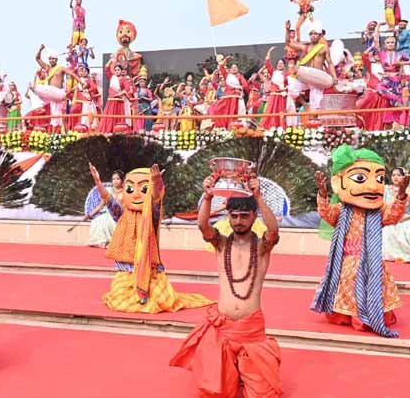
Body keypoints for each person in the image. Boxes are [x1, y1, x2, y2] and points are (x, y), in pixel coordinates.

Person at [170, 171, 282, 398]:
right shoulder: (221, 244)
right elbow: (203, 226)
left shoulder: (262, 248)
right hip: (223, 330)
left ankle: (244, 372)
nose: (239, 221)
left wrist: (258, 197)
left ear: (254, 216)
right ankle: (232, 373)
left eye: (244, 216)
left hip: (251, 332)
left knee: (264, 394)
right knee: (217, 393)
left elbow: (273, 231)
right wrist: (207, 196)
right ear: (228, 216)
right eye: (234, 216)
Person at [311, 145, 408, 337]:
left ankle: (370, 316)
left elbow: (394, 215)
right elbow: (327, 213)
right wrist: (322, 194)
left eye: (379, 179)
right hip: (347, 261)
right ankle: (350, 316)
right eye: (360, 178)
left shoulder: (379, 211)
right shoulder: (341, 210)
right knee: (349, 284)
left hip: (372, 260)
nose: (372, 187)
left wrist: (402, 194)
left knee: (375, 285)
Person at [90, 162, 212, 313]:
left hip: (148, 269)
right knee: (119, 298)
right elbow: (109, 200)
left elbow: (155, 200)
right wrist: (98, 183)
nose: (135, 194)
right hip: (126, 267)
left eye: (143, 189)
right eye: (130, 188)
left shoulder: (151, 216)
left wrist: (155, 183)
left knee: (161, 299)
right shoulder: (122, 214)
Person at [285, 20, 335, 111]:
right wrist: (287, 30)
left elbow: (330, 62)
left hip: (317, 78)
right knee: (292, 87)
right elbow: (288, 43)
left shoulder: (324, 48)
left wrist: (334, 77)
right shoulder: (305, 47)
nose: (313, 36)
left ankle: (315, 119)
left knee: (316, 104)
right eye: (311, 34)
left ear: (320, 35)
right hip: (305, 77)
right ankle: (304, 104)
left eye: (315, 34)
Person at [34, 45, 79, 130]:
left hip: (59, 93)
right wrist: (40, 49)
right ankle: (55, 135)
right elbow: (37, 58)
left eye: (53, 59)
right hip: (53, 95)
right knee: (55, 116)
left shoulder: (61, 68)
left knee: (62, 116)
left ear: (56, 60)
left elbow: (72, 74)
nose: (51, 60)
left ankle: (66, 133)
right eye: (50, 59)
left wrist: (81, 82)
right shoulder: (47, 68)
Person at [84, 169, 124, 248]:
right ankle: (99, 242)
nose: (115, 181)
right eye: (113, 179)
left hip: (119, 215)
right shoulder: (108, 191)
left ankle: (112, 242)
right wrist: (89, 215)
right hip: (107, 213)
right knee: (98, 220)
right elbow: (100, 205)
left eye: (118, 179)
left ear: (122, 180)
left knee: (109, 221)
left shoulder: (126, 192)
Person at [98, 63, 134, 133]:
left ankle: (119, 131)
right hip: (111, 101)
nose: (117, 71)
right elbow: (107, 69)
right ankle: (108, 130)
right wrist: (111, 60)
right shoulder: (112, 78)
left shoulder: (124, 79)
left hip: (119, 102)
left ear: (121, 71)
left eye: (118, 70)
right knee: (109, 117)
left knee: (119, 117)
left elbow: (127, 88)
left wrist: (120, 93)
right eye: (115, 70)